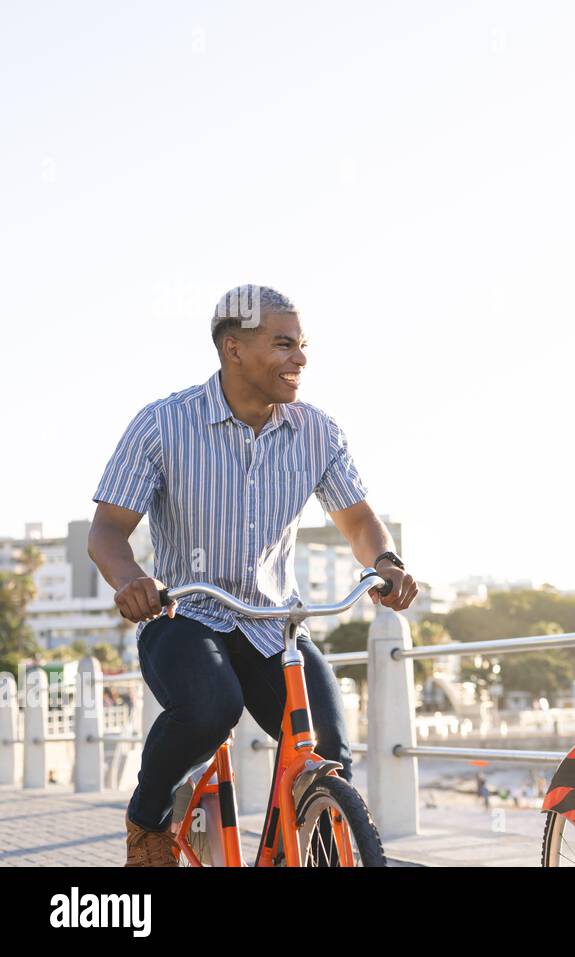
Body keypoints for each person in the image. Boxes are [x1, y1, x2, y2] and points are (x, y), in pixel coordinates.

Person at [88, 284, 418, 866]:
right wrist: (129, 580)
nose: (300, 358)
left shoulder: (317, 431)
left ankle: (313, 855)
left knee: (327, 751)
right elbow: (107, 532)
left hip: (275, 625)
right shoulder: (164, 425)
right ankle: (148, 823)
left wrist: (384, 562)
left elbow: (361, 521)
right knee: (211, 707)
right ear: (233, 349)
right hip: (184, 616)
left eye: (303, 344)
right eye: (283, 343)